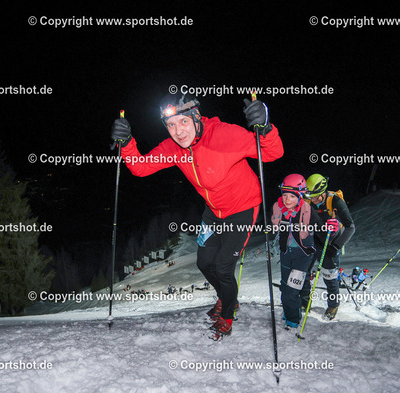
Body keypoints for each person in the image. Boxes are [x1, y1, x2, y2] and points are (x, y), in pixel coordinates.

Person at [111, 95, 283, 340]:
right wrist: (127, 142)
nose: (178, 131)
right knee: (204, 263)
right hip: (213, 212)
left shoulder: (224, 135)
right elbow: (141, 167)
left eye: (183, 122)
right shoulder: (174, 148)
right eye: (171, 125)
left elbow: (272, 153)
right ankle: (227, 298)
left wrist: (265, 127)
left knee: (223, 267)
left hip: (242, 209)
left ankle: (228, 315)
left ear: (196, 118)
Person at [271, 174, 338, 331]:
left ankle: (293, 320)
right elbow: (273, 227)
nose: (287, 200)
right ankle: (291, 310)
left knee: (291, 291)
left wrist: (332, 229)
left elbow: (322, 232)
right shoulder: (277, 207)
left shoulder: (308, 210)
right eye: (285, 195)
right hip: (286, 254)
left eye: (292, 196)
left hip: (303, 256)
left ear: (300, 196)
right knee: (284, 287)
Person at [301, 174, 356, 320]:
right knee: (304, 272)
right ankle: (304, 303)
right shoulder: (307, 200)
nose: (312, 200)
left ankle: (333, 305)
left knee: (329, 276)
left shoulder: (336, 201)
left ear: (323, 192)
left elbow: (351, 227)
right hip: (313, 239)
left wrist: (336, 246)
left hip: (331, 242)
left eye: (315, 197)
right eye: (310, 196)